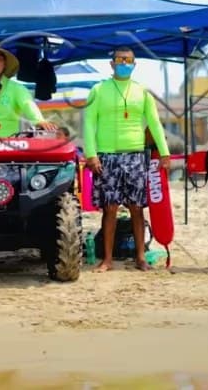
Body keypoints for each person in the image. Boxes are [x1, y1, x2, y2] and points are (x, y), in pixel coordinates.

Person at [83, 46, 171, 272]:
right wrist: (91, 154)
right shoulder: (98, 90)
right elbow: (89, 123)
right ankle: (108, 260)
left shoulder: (142, 92)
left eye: (129, 60)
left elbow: (154, 123)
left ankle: (140, 257)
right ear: (111, 64)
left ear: (134, 64)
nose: (124, 63)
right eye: (120, 59)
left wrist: (164, 152)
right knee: (110, 208)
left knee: (136, 208)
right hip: (107, 157)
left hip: (134, 156)